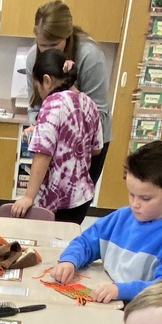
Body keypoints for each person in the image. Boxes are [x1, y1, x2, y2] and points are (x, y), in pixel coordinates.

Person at [49, 141, 162, 303]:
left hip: (143, 315)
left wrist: (120, 290)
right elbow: (86, 242)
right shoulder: (121, 217)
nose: (135, 204)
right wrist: (70, 260)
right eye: (131, 194)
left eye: (145, 198)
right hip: (109, 304)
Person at [10, 49, 102, 223]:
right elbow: (96, 149)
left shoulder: (52, 104)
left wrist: (29, 197)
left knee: (46, 243)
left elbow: (43, 154)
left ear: (46, 80)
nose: (40, 93)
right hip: (81, 197)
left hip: (56, 199)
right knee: (65, 242)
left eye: (38, 87)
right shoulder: (89, 103)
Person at [25, 0, 111, 185]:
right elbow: (34, 107)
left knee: (74, 206)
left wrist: (60, 128)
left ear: (67, 36)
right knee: (44, 206)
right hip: (52, 146)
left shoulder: (90, 57)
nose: (46, 50)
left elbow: (100, 117)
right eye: (42, 45)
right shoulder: (33, 56)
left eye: (54, 44)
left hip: (87, 146)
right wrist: (37, 125)